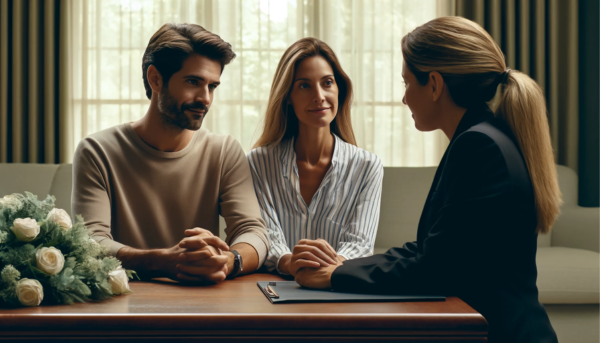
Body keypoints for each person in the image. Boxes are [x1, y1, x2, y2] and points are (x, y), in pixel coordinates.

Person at [294, 17, 561, 343]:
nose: (405, 98)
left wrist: (335, 276)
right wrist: (344, 265)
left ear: (434, 84)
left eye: (407, 83)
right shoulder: (481, 137)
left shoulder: (479, 146)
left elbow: (435, 270)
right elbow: (432, 249)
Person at [72, 23, 269, 284]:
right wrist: (161, 261)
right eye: (193, 82)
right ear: (155, 78)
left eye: (212, 86)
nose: (205, 98)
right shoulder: (97, 151)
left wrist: (231, 261)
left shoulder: (224, 151)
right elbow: (90, 242)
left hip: (205, 303)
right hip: (122, 304)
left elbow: (253, 232)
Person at [247, 38, 383, 277]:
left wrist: (329, 269)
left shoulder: (367, 167)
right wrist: (289, 262)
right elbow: (265, 237)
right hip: (274, 294)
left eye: (327, 83)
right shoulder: (257, 163)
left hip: (338, 293)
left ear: (339, 88)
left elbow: (360, 244)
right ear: (287, 96)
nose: (319, 96)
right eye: (304, 86)